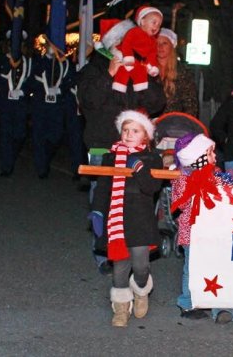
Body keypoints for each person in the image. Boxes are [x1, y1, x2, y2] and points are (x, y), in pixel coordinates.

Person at [78, 21, 166, 274]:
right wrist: (109, 74)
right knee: (103, 199)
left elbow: (157, 102)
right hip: (104, 147)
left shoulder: (138, 66)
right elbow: (88, 102)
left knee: (137, 199)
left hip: (136, 148)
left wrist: (148, 78)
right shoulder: (94, 68)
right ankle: (105, 253)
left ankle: (137, 249)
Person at [91, 110, 163, 327]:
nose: (129, 135)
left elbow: (152, 188)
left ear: (145, 135)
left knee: (141, 265)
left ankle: (141, 291)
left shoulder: (152, 158)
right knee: (120, 265)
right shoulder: (110, 157)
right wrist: (97, 211)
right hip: (117, 218)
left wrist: (139, 168)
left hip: (140, 218)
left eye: (135, 131)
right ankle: (121, 308)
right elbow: (103, 188)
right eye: (125, 130)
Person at [170, 132, 233, 324]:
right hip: (193, 233)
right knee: (193, 269)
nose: (215, 157)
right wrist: (196, 183)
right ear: (197, 158)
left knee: (219, 267)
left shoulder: (217, 176)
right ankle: (187, 302)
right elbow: (180, 204)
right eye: (210, 153)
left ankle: (222, 306)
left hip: (215, 232)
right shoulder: (183, 178)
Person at [29, 44, 83, 180]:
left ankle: (45, 159)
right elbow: (31, 81)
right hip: (40, 107)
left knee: (55, 137)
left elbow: (70, 80)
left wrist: (60, 90)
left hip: (58, 108)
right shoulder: (38, 62)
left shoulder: (64, 63)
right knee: (39, 138)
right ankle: (42, 168)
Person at [0, 31, 32, 177]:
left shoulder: (27, 62)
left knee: (19, 135)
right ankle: (6, 166)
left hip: (21, 106)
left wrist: (23, 91)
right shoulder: (1, 60)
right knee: (5, 135)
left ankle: (10, 158)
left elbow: (32, 82)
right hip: (5, 105)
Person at [111, 6, 162, 93]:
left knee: (141, 74)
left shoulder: (153, 41)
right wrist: (128, 56)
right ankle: (119, 87)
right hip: (126, 56)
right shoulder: (134, 32)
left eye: (159, 25)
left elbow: (152, 55)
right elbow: (126, 44)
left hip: (140, 62)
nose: (156, 26)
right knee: (123, 70)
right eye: (154, 22)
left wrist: (152, 66)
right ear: (142, 21)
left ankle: (140, 91)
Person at [156, 28, 199, 116]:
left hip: (174, 124)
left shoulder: (183, 72)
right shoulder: (146, 69)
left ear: (172, 46)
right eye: (156, 43)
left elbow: (190, 104)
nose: (160, 47)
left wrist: (186, 124)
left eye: (164, 43)